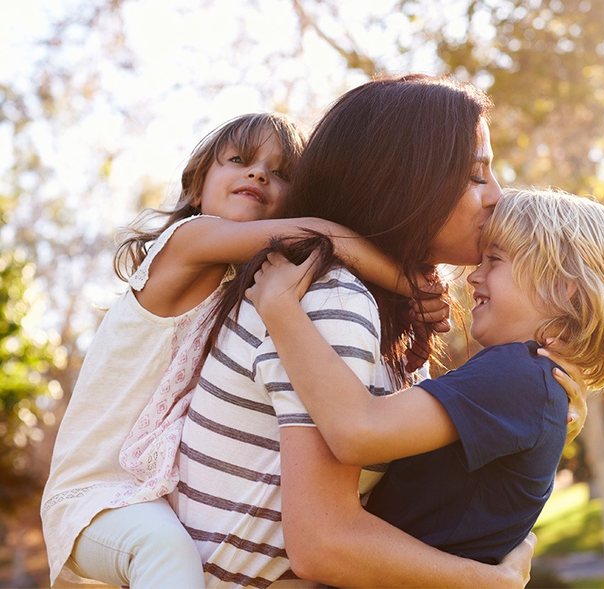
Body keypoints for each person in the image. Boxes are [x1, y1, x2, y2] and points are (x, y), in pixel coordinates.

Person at [169, 74, 586, 588]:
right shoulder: (332, 302)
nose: (496, 195)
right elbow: (325, 544)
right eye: (477, 174)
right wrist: (488, 582)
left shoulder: (360, 306)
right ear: (407, 179)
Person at [40, 112, 420, 588]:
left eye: (280, 173)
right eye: (239, 160)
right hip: (95, 496)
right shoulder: (187, 241)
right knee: (164, 551)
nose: (259, 173)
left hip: (152, 492)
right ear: (198, 187)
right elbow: (319, 236)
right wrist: (411, 287)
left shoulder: (243, 290)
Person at [248, 186, 604, 564]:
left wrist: (280, 308)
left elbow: (358, 430)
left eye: (495, 260)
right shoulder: (533, 382)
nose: (474, 275)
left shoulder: (517, 374)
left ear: (564, 290)